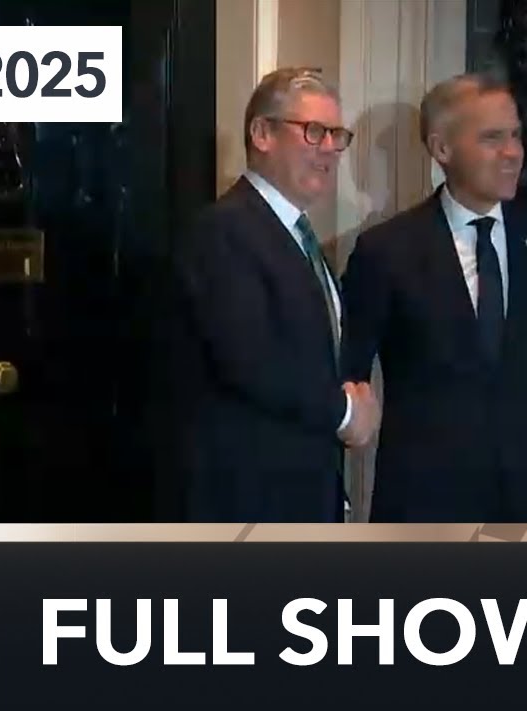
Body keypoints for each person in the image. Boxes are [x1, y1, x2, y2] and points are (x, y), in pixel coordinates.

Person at [339, 73, 527, 522]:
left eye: (515, 136)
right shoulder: (386, 251)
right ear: (442, 149)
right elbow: (347, 374)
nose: (513, 152)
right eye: (492, 138)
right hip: (427, 509)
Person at [155, 67, 380, 522]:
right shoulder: (223, 230)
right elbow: (251, 360)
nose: (329, 149)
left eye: (337, 136)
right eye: (313, 131)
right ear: (262, 133)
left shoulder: (298, 235)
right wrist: (345, 411)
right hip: (244, 500)